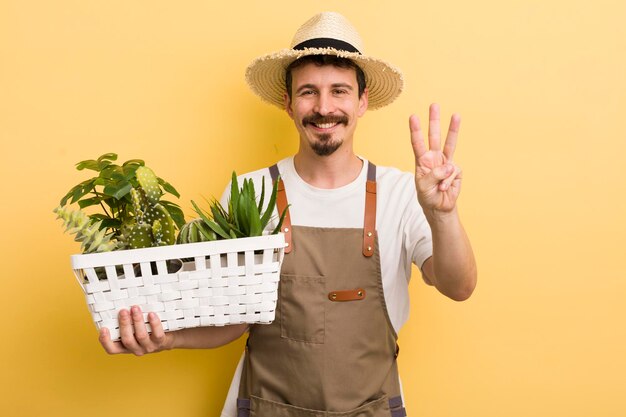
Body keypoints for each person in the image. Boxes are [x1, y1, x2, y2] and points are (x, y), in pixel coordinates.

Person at [99, 12, 476, 417]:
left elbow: (458, 285)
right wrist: (166, 338)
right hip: (265, 407)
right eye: (308, 91)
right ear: (288, 102)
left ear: (363, 101)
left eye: (340, 91)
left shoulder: (402, 193)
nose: (324, 107)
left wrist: (442, 213)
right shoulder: (249, 193)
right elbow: (233, 319)